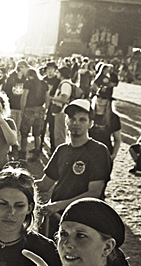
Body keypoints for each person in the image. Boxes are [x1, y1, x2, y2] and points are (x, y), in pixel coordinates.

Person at [34, 99, 112, 235]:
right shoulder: (62, 150)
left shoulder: (98, 150)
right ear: (66, 122)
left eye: (82, 120)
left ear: (90, 124)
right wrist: (18, 183)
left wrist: (57, 205)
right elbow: (45, 185)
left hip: (83, 219)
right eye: (72, 119)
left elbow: (94, 192)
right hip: (56, 218)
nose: (76, 123)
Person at [18, 68, 49, 161]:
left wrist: (22, 110)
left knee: (24, 133)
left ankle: (23, 153)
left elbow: (24, 97)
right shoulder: (44, 83)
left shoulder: (28, 83)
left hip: (29, 110)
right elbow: (47, 98)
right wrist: (45, 110)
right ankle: (36, 153)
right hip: (40, 110)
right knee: (37, 134)